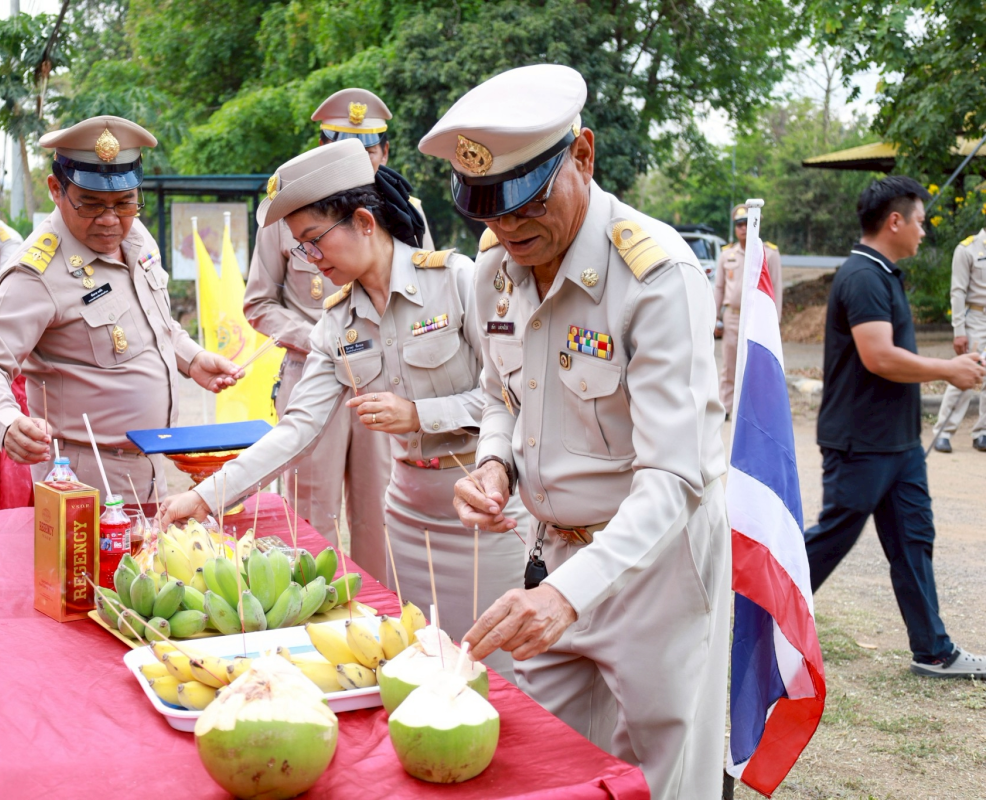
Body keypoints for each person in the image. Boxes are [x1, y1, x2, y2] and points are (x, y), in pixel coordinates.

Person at [428, 65, 729, 798]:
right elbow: (506, 391)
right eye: (489, 214)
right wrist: (495, 463)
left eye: (527, 202)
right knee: (539, 761)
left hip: (654, 566)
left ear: (583, 156)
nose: (509, 229)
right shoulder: (494, 271)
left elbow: (674, 478)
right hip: (552, 559)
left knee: (660, 772)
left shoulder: (656, 277)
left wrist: (571, 595)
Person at [158, 139, 529, 678]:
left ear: (362, 220)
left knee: (497, 673)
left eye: (313, 241)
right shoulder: (337, 323)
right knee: (426, 668)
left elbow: (507, 396)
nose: (310, 260)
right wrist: (205, 494)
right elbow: (297, 430)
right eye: (301, 249)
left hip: (483, 508)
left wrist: (419, 415)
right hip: (410, 518)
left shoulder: (455, 280)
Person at [0, 115, 242, 501]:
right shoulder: (37, 272)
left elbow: (152, 320)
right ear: (56, 190)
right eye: (91, 204)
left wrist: (191, 359)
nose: (110, 220)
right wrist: (7, 423)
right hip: (81, 480)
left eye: (124, 203)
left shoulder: (136, 236)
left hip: (150, 466)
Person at [804, 176, 986, 678]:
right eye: (921, 223)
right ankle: (749, 615)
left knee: (913, 539)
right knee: (832, 538)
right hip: (861, 441)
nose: (924, 233)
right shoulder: (862, 276)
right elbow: (879, 356)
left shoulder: (884, 273)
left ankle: (934, 651)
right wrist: (949, 369)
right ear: (895, 221)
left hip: (898, 442)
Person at [243, 88, 433, 547]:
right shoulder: (288, 215)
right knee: (310, 514)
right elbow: (258, 303)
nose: (360, 158)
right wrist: (321, 341)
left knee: (381, 513)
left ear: (384, 152)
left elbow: (424, 298)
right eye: (343, 146)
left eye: (369, 148)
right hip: (311, 373)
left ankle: (381, 616)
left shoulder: (408, 213)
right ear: (324, 149)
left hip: (382, 384)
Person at [715, 203, 783, 416]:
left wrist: (775, 322)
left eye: (747, 223)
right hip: (732, 317)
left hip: (757, 317)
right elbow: (719, 288)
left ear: (756, 223)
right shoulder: (727, 255)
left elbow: (776, 289)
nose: (743, 228)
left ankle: (755, 410)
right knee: (729, 364)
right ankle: (726, 407)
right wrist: (715, 318)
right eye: (739, 224)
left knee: (756, 364)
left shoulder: (768, 254)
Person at [931, 225, 986, 453]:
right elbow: (958, 291)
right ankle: (943, 432)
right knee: (966, 373)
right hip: (976, 318)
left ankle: (982, 432)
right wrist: (958, 330)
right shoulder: (968, 250)